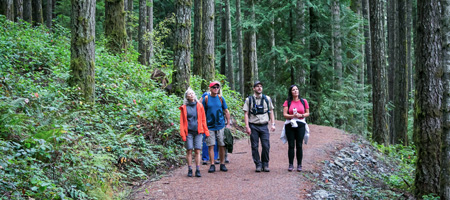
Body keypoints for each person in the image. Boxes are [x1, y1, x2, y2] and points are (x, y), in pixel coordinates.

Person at [243, 81, 276, 172]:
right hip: (253, 125)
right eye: (257, 86)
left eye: (261, 86)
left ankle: (265, 164)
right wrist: (247, 126)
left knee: (266, 145)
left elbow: (271, 111)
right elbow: (246, 113)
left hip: (264, 125)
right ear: (254, 88)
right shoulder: (249, 100)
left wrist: (273, 124)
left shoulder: (267, 99)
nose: (259, 88)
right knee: (254, 146)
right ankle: (258, 164)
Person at [179, 88, 210, 177]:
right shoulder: (184, 107)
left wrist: (206, 131)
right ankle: (189, 169)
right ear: (187, 97)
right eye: (189, 94)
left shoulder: (199, 106)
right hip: (188, 132)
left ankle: (197, 169)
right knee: (189, 150)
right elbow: (182, 122)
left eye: (192, 93)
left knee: (197, 150)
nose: (191, 95)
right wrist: (183, 134)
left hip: (198, 131)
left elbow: (203, 119)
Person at [203, 81, 232, 173]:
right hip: (209, 126)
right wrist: (203, 125)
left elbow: (226, 111)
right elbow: (202, 112)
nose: (216, 89)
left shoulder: (221, 98)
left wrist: (228, 123)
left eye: (217, 87)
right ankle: (212, 164)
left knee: (222, 145)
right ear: (210, 88)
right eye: (214, 87)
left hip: (220, 125)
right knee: (210, 145)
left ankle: (222, 164)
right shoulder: (206, 99)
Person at [282, 85, 309, 172]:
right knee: (291, 145)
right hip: (290, 124)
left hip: (300, 124)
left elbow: (307, 113)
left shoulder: (303, 101)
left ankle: (299, 165)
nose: (295, 91)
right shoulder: (287, 102)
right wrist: (292, 116)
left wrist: (301, 115)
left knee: (299, 145)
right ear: (291, 92)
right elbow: (285, 114)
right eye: (293, 90)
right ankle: (290, 164)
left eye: (297, 89)